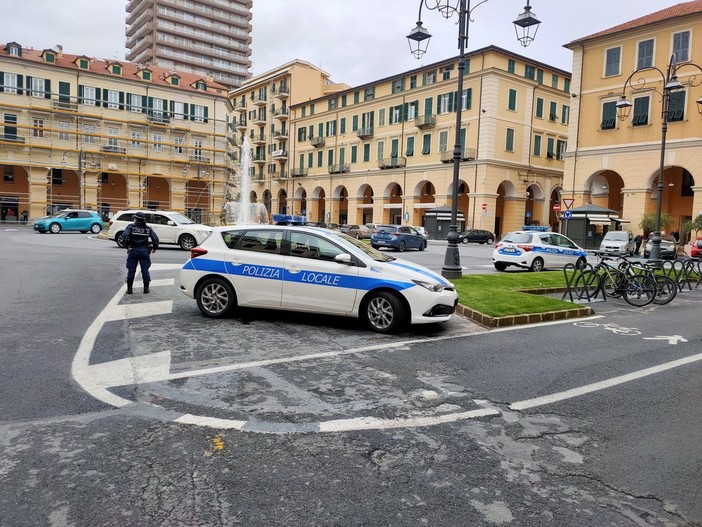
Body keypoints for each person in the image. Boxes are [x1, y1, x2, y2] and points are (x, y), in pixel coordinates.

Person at [123, 211, 159, 294]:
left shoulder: (130, 227)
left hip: (133, 250)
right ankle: (146, 288)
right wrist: (155, 248)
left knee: (131, 270)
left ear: (136, 219)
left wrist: (127, 246)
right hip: (144, 251)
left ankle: (129, 289)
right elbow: (155, 239)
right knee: (145, 270)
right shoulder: (147, 228)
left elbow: (125, 236)